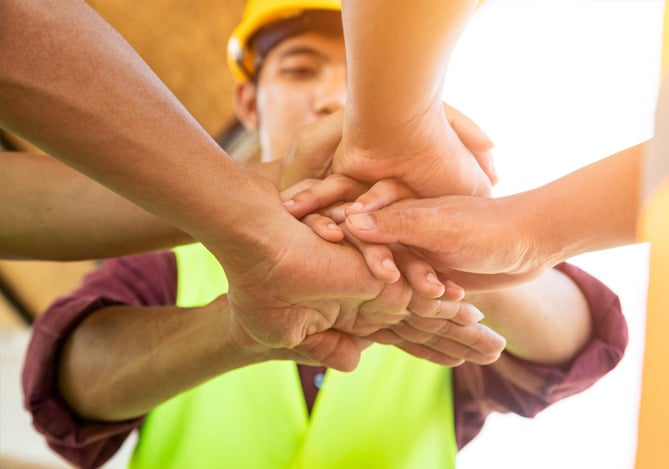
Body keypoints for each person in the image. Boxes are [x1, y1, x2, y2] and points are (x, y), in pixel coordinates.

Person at [22, 2, 628, 468]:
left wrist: (456, 254)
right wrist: (229, 332)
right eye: (300, 70)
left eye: (359, 75)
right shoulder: (172, 256)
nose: (335, 99)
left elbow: (577, 345)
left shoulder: (451, 308)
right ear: (250, 104)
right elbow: (67, 385)